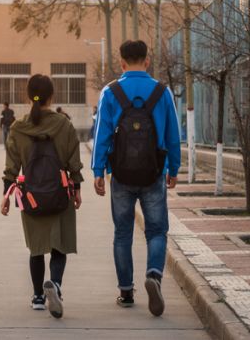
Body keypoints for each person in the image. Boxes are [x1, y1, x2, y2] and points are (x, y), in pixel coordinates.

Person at [92, 40, 180, 317]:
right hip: (153, 173)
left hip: (121, 175)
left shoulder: (110, 92)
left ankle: (126, 292)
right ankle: (153, 274)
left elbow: (101, 135)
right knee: (156, 230)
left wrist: (98, 171)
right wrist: (173, 169)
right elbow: (173, 136)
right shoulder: (162, 92)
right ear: (147, 61)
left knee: (122, 233)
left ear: (121, 63)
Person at [0, 74, 83, 319]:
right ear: (51, 96)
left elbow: (11, 167)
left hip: (32, 196)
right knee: (59, 245)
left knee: (36, 247)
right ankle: (55, 285)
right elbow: (74, 161)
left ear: (28, 95)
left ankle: (37, 296)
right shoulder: (63, 124)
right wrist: (77, 189)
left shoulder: (18, 127)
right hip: (60, 194)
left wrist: (5, 196)